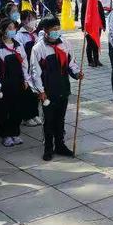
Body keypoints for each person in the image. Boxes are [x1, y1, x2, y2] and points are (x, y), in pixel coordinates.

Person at [30, 16, 83, 161]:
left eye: (57, 28)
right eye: (53, 29)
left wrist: (77, 73)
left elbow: (71, 62)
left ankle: (60, 144)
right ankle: (48, 147)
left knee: (60, 118)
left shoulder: (64, 43)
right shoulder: (38, 48)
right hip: (48, 90)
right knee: (49, 120)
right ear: (45, 30)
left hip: (63, 86)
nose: (56, 31)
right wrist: (40, 91)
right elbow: (35, 72)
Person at [0, 18, 30, 147]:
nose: (12, 30)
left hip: (18, 81)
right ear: (2, 30)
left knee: (17, 109)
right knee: (5, 110)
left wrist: (26, 79)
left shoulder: (18, 45)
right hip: (4, 83)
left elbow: (25, 63)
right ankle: (5, 135)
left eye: (13, 28)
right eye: (9, 28)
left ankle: (15, 133)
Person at [16, 10, 42, 127]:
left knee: (36, 92)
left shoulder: (38, 33)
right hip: (26, 67)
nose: (31, 21)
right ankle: (26, 116)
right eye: (28, 19)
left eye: (33, 18)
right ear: (22, 21)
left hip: (37, 65)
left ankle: (34, 113)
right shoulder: (19, 36)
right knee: (27, 93)